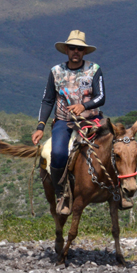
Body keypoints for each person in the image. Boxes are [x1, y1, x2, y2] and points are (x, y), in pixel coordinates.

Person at [32, 30, 128, 214]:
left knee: (117, 147)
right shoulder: (56, 72)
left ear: (84, 52)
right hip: (64, 121)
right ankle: (62, 194)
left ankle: (120, 190)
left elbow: (101, 97)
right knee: (57, 153)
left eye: (80, 49)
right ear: (66, 50)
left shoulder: (94, 69)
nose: (76, 51)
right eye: (72, 48)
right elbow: (48, 100)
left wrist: (84, 106)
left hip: (92, 119)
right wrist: (40, 126)